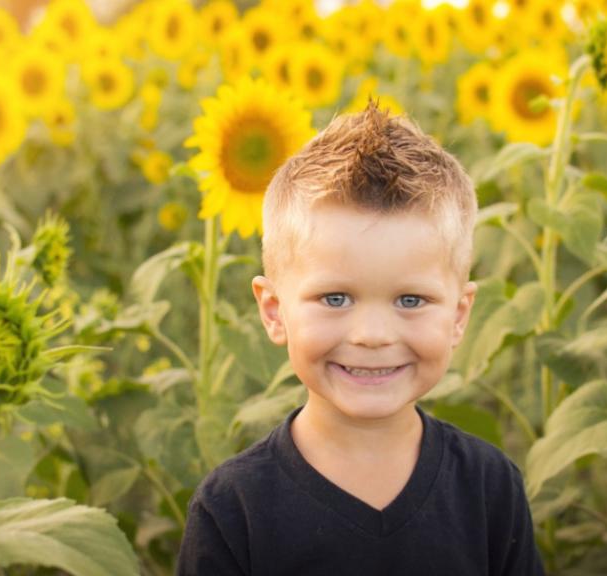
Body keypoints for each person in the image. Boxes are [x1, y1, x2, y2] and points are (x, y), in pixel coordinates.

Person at [177, 102, 545, 576]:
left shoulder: (489, 489)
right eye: (335, 298)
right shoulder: (233, 508)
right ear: (274, 311)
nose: (372, 336)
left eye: (410, 300)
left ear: (458, 315)